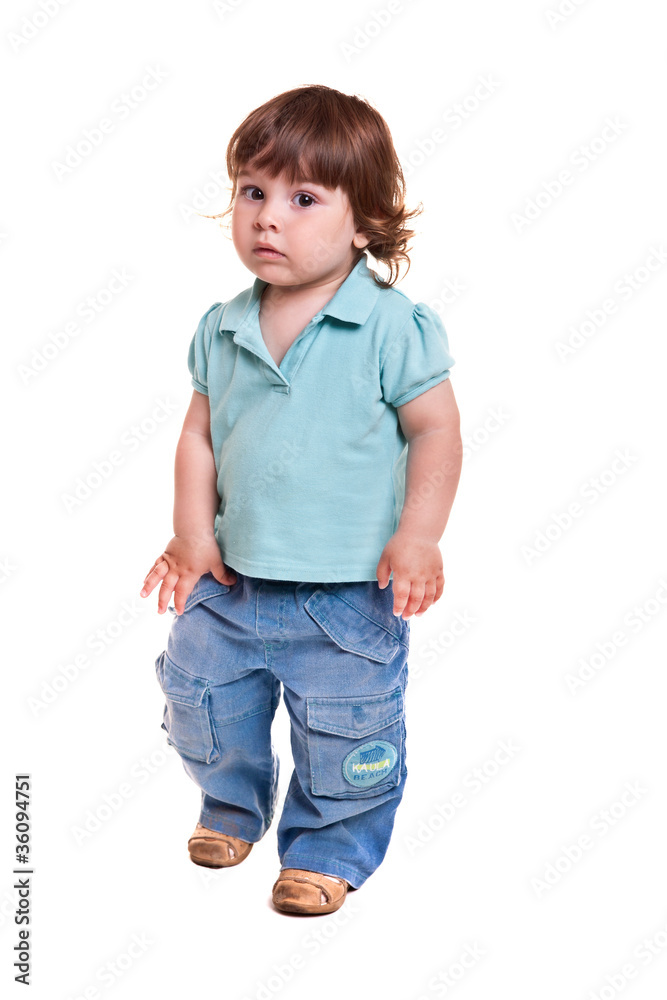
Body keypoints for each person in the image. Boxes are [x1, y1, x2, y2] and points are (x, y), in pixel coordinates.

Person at [140, 84, 462, 916]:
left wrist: (419, 536)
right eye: (253, 191)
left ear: (364, 222)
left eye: (302, 198)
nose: (266, 218)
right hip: (234, 579)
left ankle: (328, 847)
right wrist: (189, 536)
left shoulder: (391, 326)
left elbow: (435, 432)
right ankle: (232, 806)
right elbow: (198, 437)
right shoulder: (222, 325)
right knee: (202, 698)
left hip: (347, 593)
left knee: (345, 731)